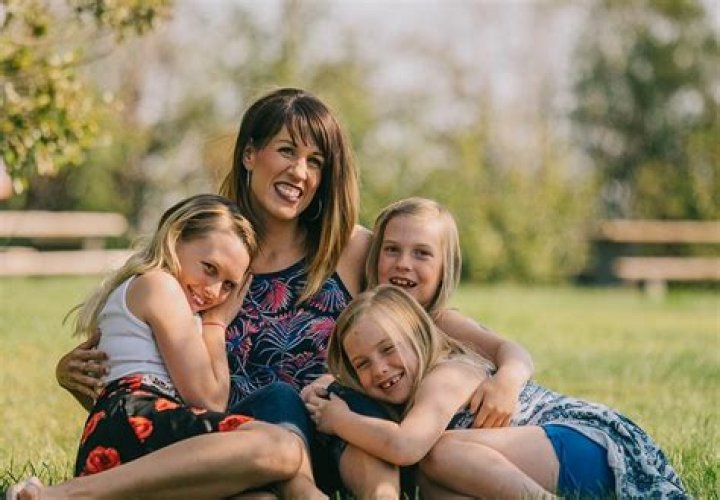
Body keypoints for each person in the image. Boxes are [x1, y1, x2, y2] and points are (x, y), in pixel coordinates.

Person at [53, 87, 369, 495]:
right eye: (287, 151)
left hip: (330, 442)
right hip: (226, 450)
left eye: (315, 161)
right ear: (249, 154)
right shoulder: (211, 248)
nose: (299, 172)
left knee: (281, 399)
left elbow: (419, 325)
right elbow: (139, 377)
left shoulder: (348, 248)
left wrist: (466, 360)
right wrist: (71, 373)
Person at [9, 193, 323, 499]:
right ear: (175, 239)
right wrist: (216, 324)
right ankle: (65, 494)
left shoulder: (168, 299)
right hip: (135, 420)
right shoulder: (159, 285)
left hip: (139, 436)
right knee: (282, 447)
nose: (214, 292)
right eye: (209, 268)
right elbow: (208, 400)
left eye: (229, 284)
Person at [308, 285, 688, 499]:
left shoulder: (447, 374)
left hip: (588, 445)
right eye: (363, 364)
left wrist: (340, 421)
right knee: (429, 484)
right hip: (551, 460)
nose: (379, 368)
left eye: (388, 349)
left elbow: (406, 445)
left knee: (439, 453)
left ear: (419, 337)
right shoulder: (406, 396)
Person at [302, 197, 536, 497]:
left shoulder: (443, 322)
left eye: (422, 253)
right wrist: (333, 383)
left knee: (438, 456)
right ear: (374, 258)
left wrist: (506, 382)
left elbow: (514, 352)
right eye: (392, 249)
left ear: (444, 269)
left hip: (510, 437)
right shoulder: (369, 320)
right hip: (457, 453)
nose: (403, 263)